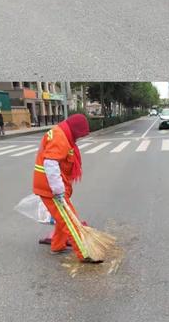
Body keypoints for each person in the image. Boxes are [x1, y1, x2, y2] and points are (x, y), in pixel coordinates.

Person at [33, 113, 101, 263]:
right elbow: (50, 164)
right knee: (70, 220)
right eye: (80, 135)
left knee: (63, 218)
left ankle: (57, 245)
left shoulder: (62, 134)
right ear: (75, 130)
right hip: (50, 188)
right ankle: (84, 252)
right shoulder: (60, 138)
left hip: (49, 185)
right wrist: (58, 190)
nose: (79, 138)